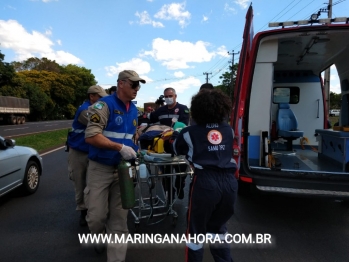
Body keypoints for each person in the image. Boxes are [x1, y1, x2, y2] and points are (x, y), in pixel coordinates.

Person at [170, 89, 238, 262]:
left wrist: (176, 134)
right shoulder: (228, 130)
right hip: (230, 184)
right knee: (218, 229)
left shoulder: (189, 132)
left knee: (195, 234)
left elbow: (176, 149)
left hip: (206, 183)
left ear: (197, 110)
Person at [84, 70, 145, 260]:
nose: (137, 88)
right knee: (96, 218)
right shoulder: (104, 105)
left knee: (119, 221)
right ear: (121, 84)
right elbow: (92, 136)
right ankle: (98, 235)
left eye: (138, 85)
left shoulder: (134, 109)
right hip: (100, 168)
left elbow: (130, 137)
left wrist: (136, 147)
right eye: (133, 84)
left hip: (123, 170)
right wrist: (119, 148)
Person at [67, 85, 108, 227]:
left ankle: (94, 211)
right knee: (80, 182)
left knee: (93, 183)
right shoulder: (85, 111)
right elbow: (102, 125)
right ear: (92, 96)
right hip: (79, 151)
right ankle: (83, 211)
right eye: (100, 97)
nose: (103, 100)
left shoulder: (96, 108)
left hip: (91, 151)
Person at [149, 87, 190, 199]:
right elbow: (151, 119)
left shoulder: (182, 109)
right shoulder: (161, 110)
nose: (168, 98)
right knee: (165, 173)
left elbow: (183, 125)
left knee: (181, 172)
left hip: (178, 145)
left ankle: (179, 185)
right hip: (164, 146)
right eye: (166, 96)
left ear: (175, 96)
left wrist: (171, 132)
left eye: (170, 96)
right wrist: (155, 107)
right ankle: (169, 191)